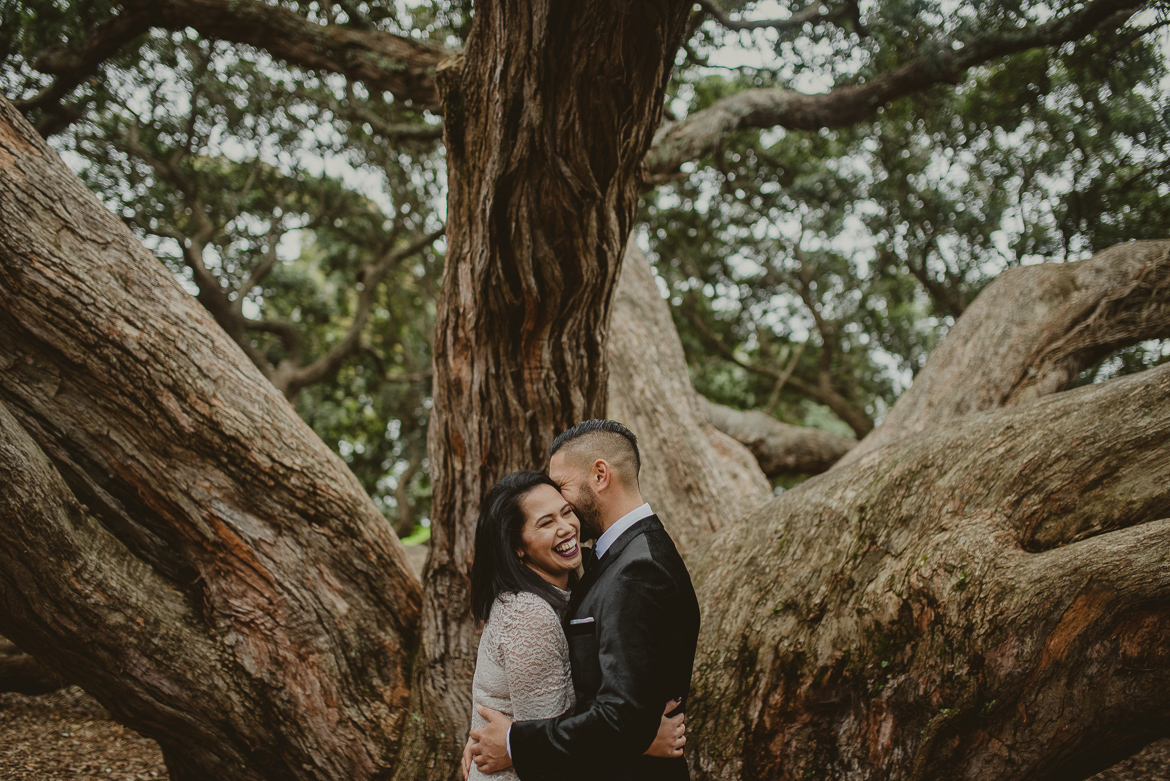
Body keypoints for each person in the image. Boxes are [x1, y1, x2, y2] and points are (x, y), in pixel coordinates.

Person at [468, 420, 701, 781]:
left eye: (561, 487)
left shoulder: (639, 570)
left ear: (600, 475)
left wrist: (514, 743)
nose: (563, 504)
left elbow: (621, 716)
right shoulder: (615, 559)